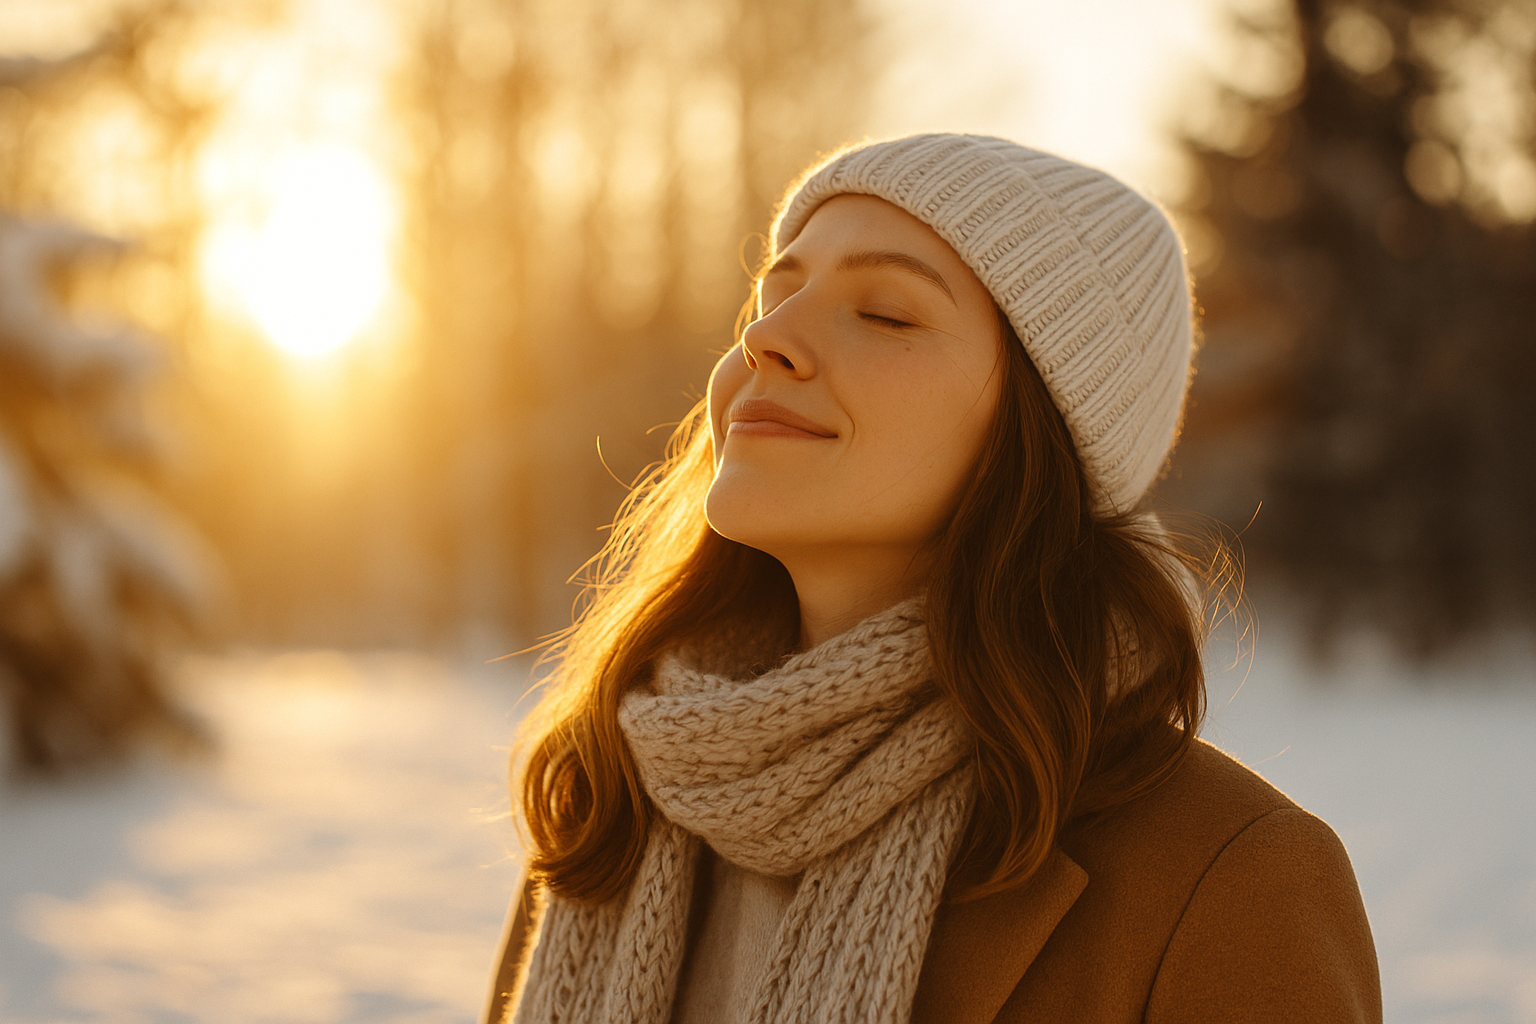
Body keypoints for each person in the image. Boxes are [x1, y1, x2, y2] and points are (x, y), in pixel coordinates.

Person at [483, 133, 1382, 1024]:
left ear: (1040, 430)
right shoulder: (617, 805)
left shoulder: (1227, 884)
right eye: (774, 293)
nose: (766, 337)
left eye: (886, 312)